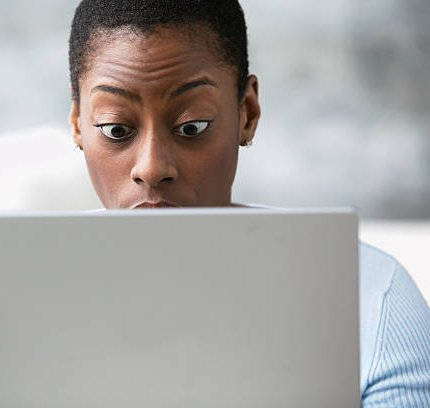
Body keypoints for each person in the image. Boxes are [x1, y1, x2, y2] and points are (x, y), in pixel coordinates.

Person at [66, 0, 430, 406]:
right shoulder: (1, 297)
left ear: (247, 112)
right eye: (115, 128)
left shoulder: (373, 299)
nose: (151, 168)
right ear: (78, 122)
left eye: (192, 126)